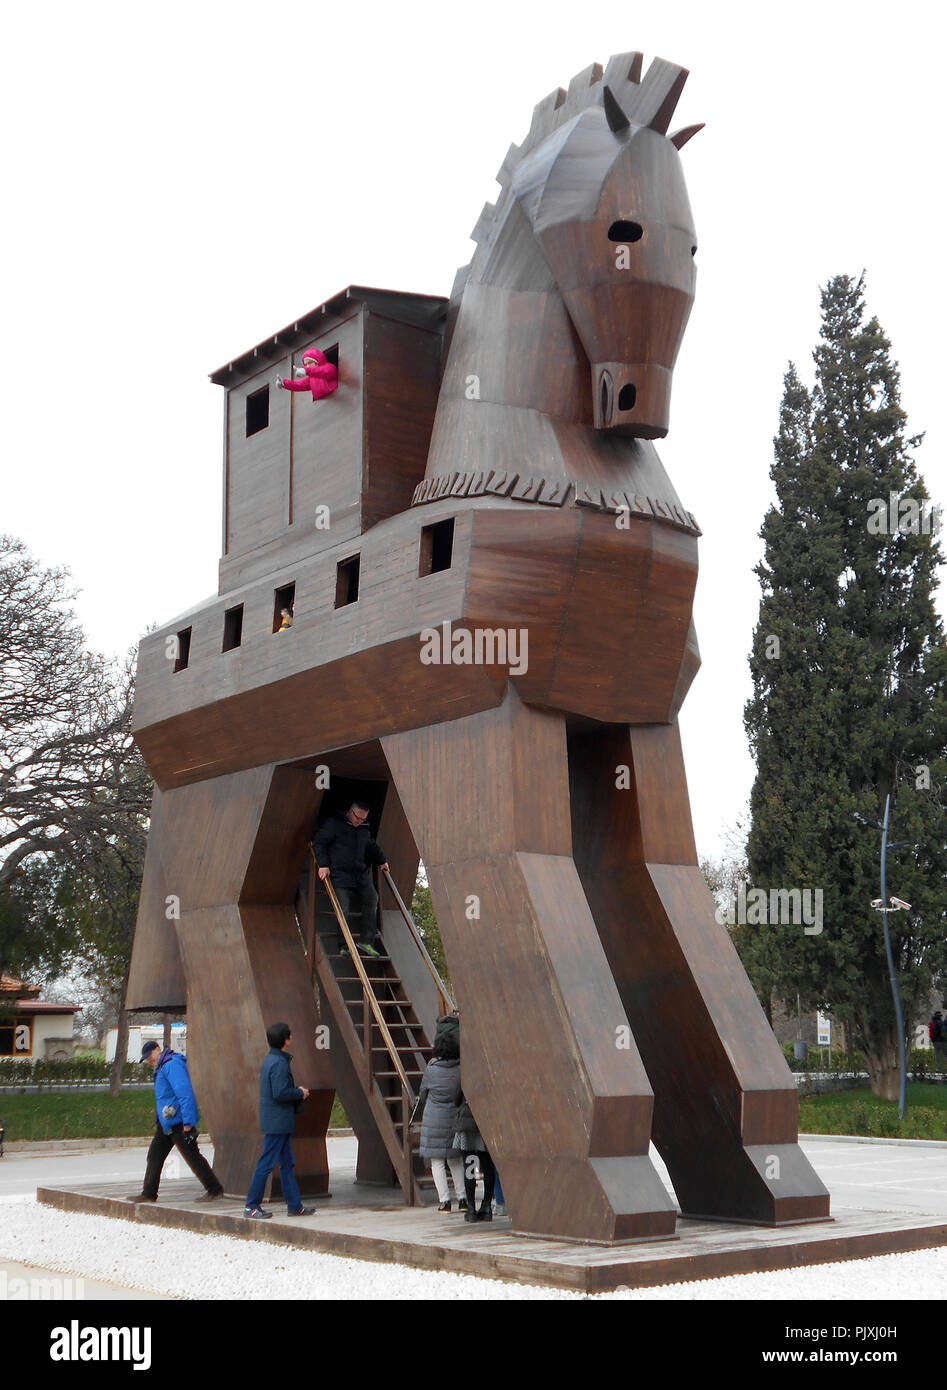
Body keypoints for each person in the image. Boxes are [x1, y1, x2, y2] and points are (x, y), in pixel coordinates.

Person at [130, 1041, 224, 1204]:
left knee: (191, 1157)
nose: (148, 1060)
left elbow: (185, 1093)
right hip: (167, 1123)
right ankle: (148, 1193)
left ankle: (214, 1189)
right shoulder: (163, 1067)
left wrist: (188, 1122)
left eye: (149, 1056)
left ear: (158, 1050)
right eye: (146, 1058)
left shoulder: (171, 1065)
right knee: (155, 1155)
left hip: (178, 1121)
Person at [245, 1022, 316, 1220]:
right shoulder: (279, 1063)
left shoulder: (272, 1060)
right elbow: (280, 1092)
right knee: (266, 1164)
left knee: (286, 1163)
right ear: (286, 1040)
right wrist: (300, 1093)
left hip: (278, 1121)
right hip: (278, 1122)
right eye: (290, 1035)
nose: (291, 1038)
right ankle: (251, 1205)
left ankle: (295, 1206)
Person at [313, 801, 389, 957]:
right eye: (357, 818)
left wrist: (382, 860)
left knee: (372, 898)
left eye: (363, 819)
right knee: (344, 908)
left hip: (359, 874)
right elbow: (319, 842)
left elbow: (371, 845)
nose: (359, 821)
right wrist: (323, 864)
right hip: (339, 873)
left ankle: (366, 941)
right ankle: (343, 945)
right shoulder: (334, 824)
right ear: (350, 812)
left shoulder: (363, 828)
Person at [415, 1031, 466, 1212]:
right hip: (454, 1119)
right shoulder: (460, 1069)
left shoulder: (431, 1069)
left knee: (437, 1162)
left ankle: (444, 1202)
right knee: (456, 1160)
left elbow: (422, 1094)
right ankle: (462, 1199)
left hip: (433, 1120)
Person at [453, 1095, 496, 1223]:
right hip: (487, 1118)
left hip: (468, 1119)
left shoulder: (464, 1074)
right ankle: (487, 1206)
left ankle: (471, 1208)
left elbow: (455, 1096)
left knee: (470, 1165)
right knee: (488, 1165)